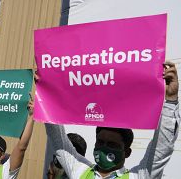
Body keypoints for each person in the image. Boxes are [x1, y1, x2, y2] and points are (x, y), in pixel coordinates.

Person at [43, 61, 180, 178]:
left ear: (127, 152)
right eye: (100, 142)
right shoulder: (80, 171)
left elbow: (161, 150)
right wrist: (45, 93)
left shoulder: (138, 176)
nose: (104, 148)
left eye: (112, 145)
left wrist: (170, 101)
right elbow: (58, 140)